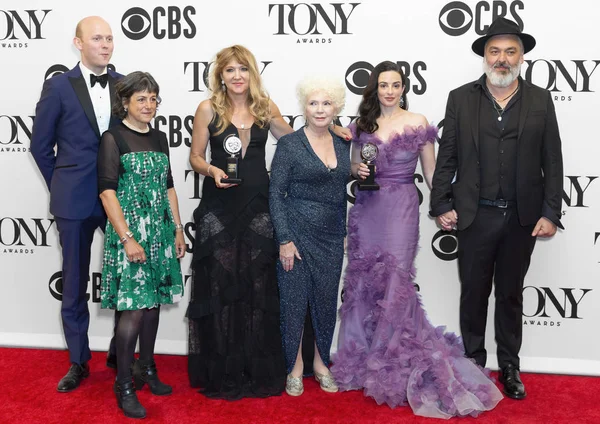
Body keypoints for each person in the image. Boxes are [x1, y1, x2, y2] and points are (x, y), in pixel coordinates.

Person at [331, 61, 503, 418]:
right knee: (362, 280)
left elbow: (430, 171)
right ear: (374, 88)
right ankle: (363, 358)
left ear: (403, 87)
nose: (389, 91)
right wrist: (357, 169)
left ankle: (392, 358)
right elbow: (350, 165)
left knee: (395, 278)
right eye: (383, 85)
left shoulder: (419, 122)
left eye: (395, 84)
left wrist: (446, 205)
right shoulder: (361, 124)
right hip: (366, 207)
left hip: (401, 208)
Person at [430, 18, 564, 401]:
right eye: (495, 51)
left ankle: (509, 365)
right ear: (484, 56)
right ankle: (473, 363)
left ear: (522, 57)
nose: (502, 59)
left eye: (510, 51)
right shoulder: (461, 98)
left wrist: (550, 211)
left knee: (510, 294)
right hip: (475, 214)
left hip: (522, 217)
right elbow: (449, 155)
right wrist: (441, 202)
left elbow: (551, 160)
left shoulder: (540, 99)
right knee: (473, 293)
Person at [186, 45, 294, 399]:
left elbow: (298, 144)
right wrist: (212, 170)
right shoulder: (207, 110)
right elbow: (196, 157)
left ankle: (254, 368)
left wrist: (335, 133)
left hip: (259, 207)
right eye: (229, 70)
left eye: (243, 69)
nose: (236, 76)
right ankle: (222, 369)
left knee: (258, 286)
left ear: (252, 74)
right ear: (220, 75)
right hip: (218, 207)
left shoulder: (267, 109)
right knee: (218, 285)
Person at [30, 16, 123, 393]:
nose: (105, 44)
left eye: (110, 38)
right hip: (75, 197)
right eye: (97, 38)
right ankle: (78, 361)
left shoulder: (125, 84)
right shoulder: (58, 87)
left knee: (127, 279)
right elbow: (40, 146)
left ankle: (122, 352)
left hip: (119, 196)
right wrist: (63, 180)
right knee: (73, 283)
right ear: (78, 43)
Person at [98, 71, 185, 419]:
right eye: (141, 99)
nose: (149, 105)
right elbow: (107, 191)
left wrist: (177, 229)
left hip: (160, 232)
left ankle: (146, 369)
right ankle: (124, 385)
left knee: (153, 306)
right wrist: (127, 237)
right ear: (125, 103)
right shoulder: (112, 137)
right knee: (134, 309)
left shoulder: (161, 137)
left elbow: (168, 187)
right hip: (130, 233)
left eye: (153, 99)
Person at [269, 76, 350, 396]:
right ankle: (294, 367)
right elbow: (276, 194)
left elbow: (340, 192)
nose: (320, 109)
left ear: (336, 107)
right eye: (313, 103)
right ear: (304, 107)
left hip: (331, 237)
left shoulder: (344, 142)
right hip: (297, 235)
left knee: (326, 303)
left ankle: (320, 363)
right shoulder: (290, 144)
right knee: (294, 303)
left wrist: (342, 233)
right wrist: (285, 240)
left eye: (326, 103)